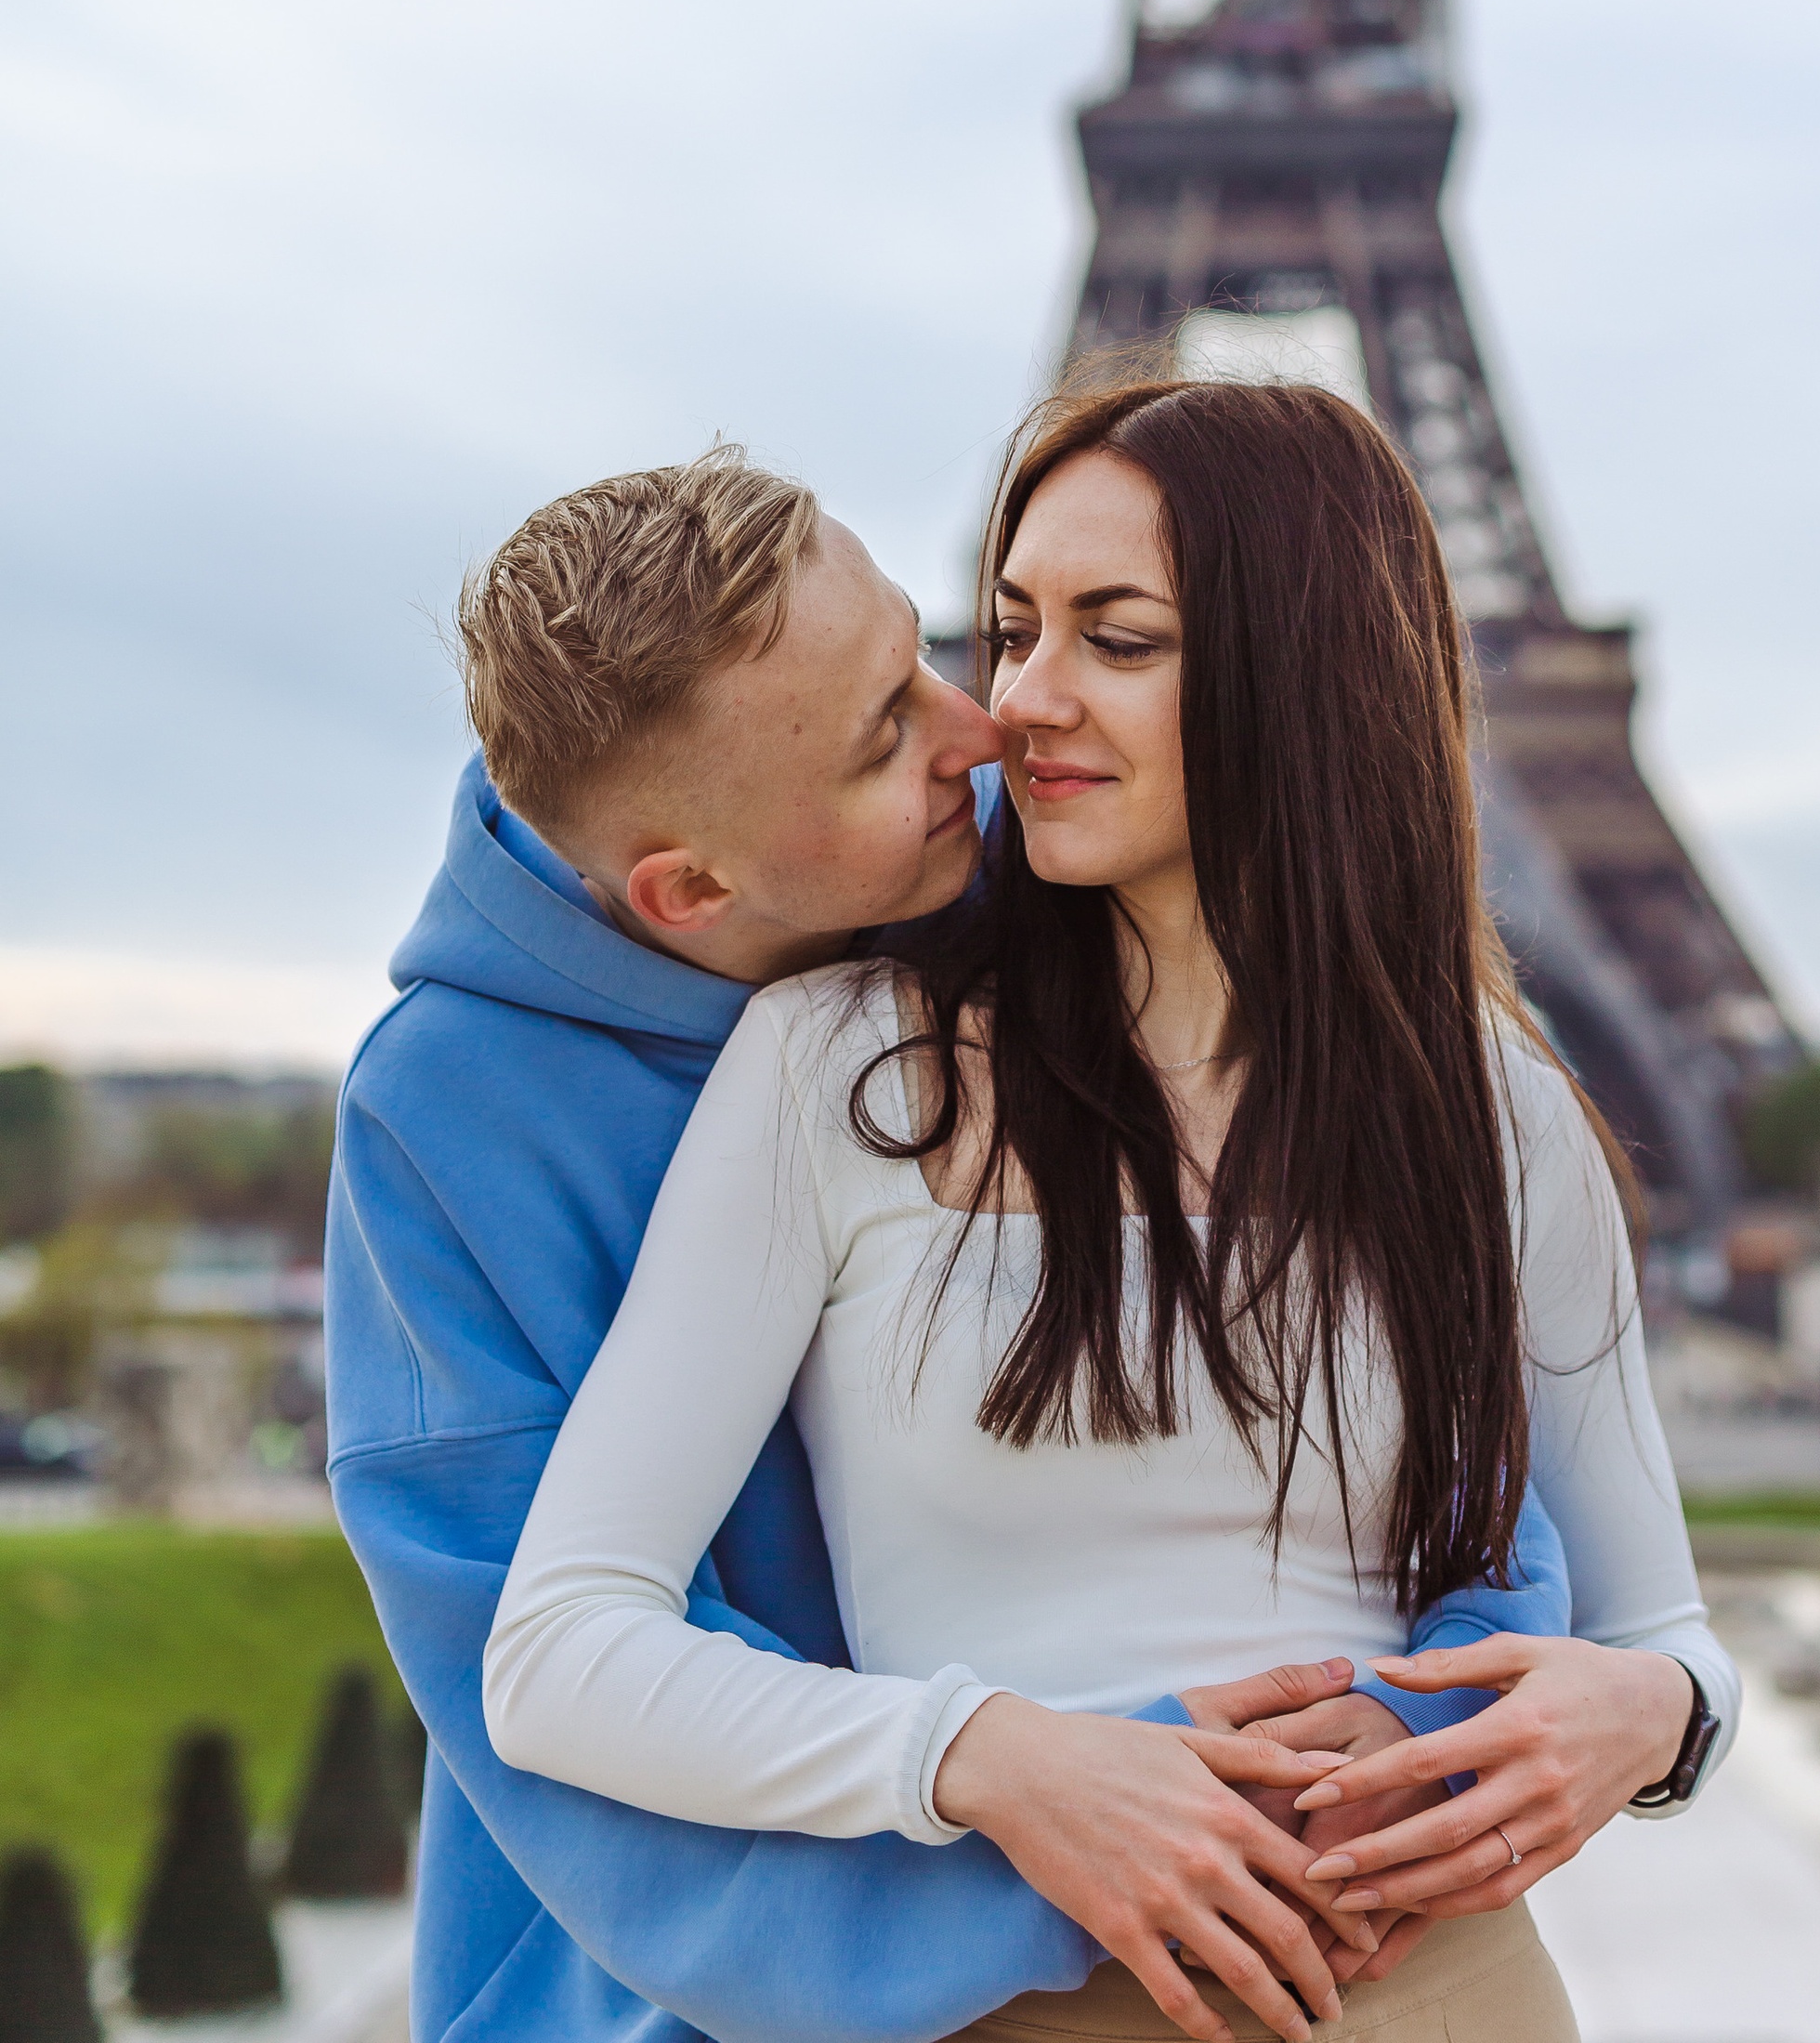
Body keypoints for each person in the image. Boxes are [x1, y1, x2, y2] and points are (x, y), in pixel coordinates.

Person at [326, 444, 1735, 2043]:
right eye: (998, 643)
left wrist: (1655, 1713)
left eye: (961, 649)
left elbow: (1598, 1594)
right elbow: (549, 1659)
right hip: (842, 1962)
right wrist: (1011, 1771)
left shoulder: (1474, 1098)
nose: (994, 723)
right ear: (690, 885)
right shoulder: (615, 1096)